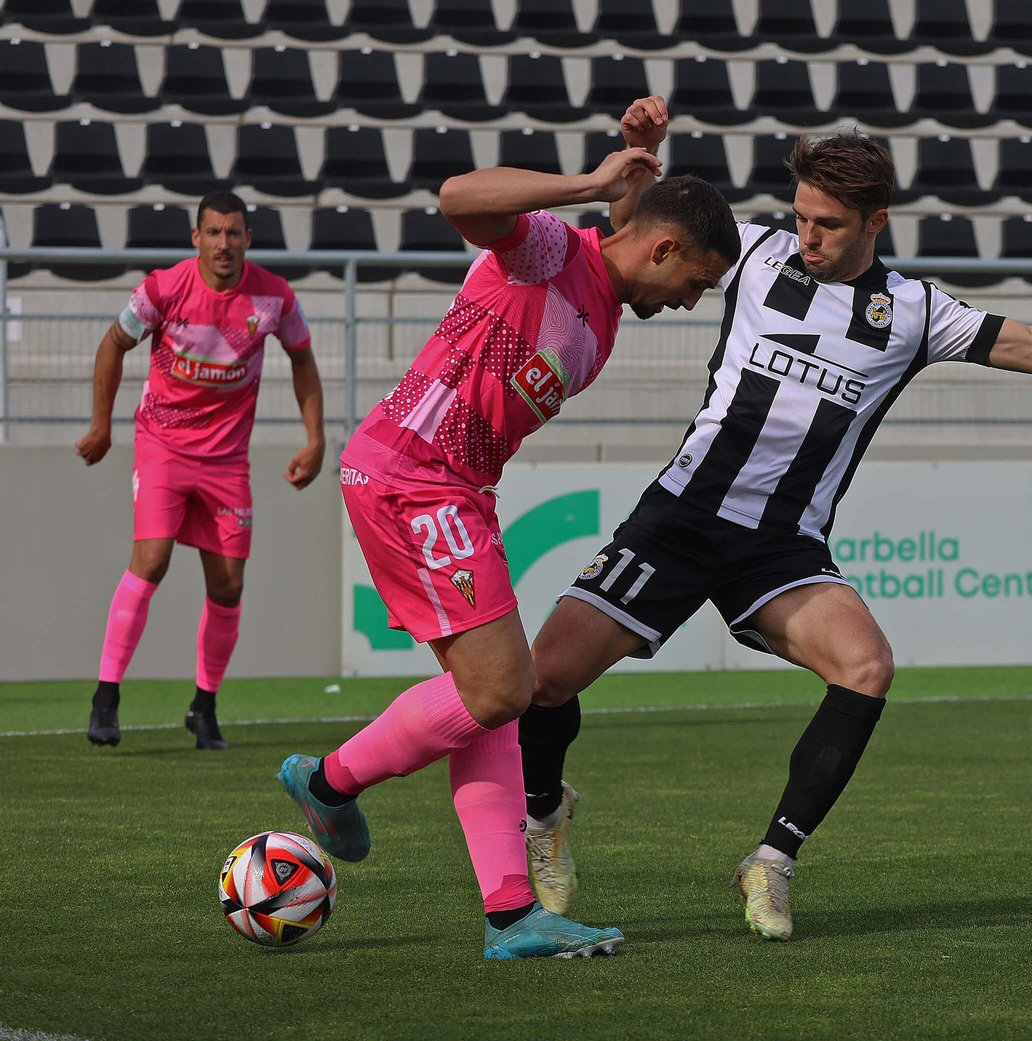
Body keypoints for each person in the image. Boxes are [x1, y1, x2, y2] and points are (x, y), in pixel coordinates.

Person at [513, 95, 1032, 941]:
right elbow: (637, 256)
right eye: (800, 217)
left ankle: (772, 862)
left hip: (781, 546)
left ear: (876, 222)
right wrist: (638, 155)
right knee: (543, 680)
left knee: (866, 666)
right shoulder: (754, 255)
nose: (808, 236)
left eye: (828, 223)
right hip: (680, 517)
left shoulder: (913, 310)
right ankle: (545, 818)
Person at [278, 149, 740, 959]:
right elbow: (459, 196)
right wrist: (596, 185)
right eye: (696, 283)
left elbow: (627, 219)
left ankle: (511, 916)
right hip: (413, 476)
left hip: (457, 490)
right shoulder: (554, 250)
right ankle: (326, 782)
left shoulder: (603, 311)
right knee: (504, 689)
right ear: (663, 249)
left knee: (492, 699)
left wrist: (627, 173)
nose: (690, 300)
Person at [78, 191, 324, 751]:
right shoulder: (163, 288)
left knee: (229, 585)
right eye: (213, 233)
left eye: (233, 233)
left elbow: (302, 360)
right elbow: (113, 345)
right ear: (196, 239)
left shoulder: (274, 297)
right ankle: (106, 697)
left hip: (227, 460)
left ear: (247, 240)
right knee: (153, 559)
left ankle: (204, 707)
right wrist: (102, 424)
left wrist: (316, 439)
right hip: (162, 445)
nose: (223, 244)